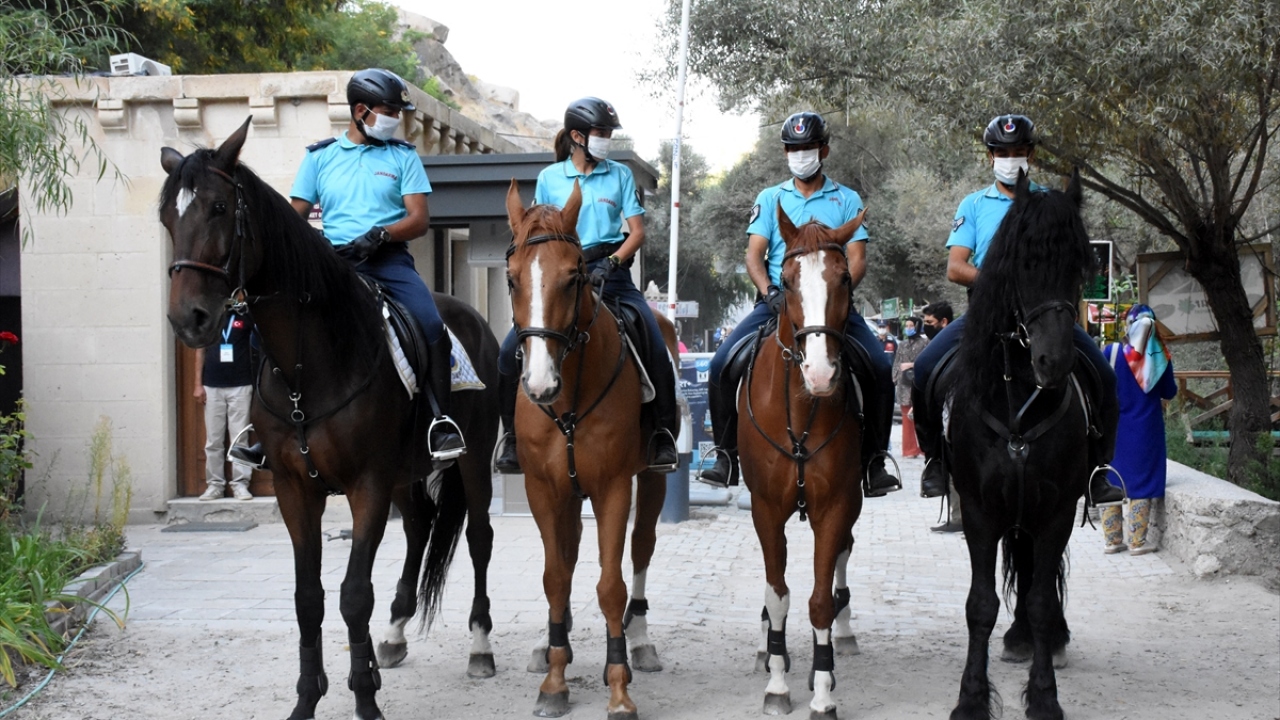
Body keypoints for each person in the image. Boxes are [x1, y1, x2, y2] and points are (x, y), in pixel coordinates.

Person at [229, 68, 465, 470]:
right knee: (261, 329)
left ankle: (440, 421)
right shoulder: (319, 157)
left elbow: (419, 219)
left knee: (429, 323)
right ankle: (263, 431)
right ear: (360, 110)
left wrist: (382, 235)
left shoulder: (402, 156)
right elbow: (293, 218)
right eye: (388, 110)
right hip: (333, 264)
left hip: (388, 261)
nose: (396, 118)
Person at [910, 114, 1123, 507]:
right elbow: (955, 267)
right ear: (991, 157)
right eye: (1003, 153)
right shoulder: (973, 205)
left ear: (1031, 155)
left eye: (1019, 152)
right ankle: (936, 461)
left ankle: (1097, 470)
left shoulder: (1052, 203)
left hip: (1042, 313)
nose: (1012, 159)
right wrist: (1000, 283)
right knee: (925, 370)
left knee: (1105, 376)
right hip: (986, 313)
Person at [697, 111, 900, 496]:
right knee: (723, 365)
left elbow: (857, 259)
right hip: (778, 302)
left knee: (876, 366)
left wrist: (835, 294)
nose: (800, 154)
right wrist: (769, 293)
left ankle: (874, 460)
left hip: (831, 307)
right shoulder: (770, 198)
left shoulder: (846, 198)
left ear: (823, 149)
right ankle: (725, 455)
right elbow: (754, 256)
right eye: (793, 148)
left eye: (807, 147)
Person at [493, 97, 679, 474]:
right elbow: (537, 234)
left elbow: (637, 231)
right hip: (562, 276)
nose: (607, 139)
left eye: (609, 133)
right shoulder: (549, 178)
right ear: (577, 136)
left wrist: (612, 263)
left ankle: (661, 434)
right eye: (601, 133)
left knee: (654, 339)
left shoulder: (620, 175)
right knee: (508, 350)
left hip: (611, 272)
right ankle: (512, 437)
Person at [1101, 305, 1177, 554]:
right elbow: (1170, 392)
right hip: (1146, 429)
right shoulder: (1159, 357)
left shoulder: (1111, 352)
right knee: (1141, 482)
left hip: (1114, 430)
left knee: (1112, 478)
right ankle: (1137, 542)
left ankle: (1112, 541)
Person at [195, 314, 254, 501]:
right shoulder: (208, 317)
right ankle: (215, 485)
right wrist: (198, 384)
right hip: (212, 386)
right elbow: (200, 350)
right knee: (213, 440)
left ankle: (240, 484)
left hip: (241, 384)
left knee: (240, 439)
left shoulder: (245, 315)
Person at [894, 316, 928, 459]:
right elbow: (897, 362)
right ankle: (909, 449)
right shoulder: (902, 344)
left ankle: (923, 447)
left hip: (918, 382)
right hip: (904, 384)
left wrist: (912, 365)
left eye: (911, 325)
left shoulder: (925, 343)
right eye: (906, 325)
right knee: (906, 418)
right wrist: (895, 377)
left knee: (921, 417)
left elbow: (926, 360)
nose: (908, 328)